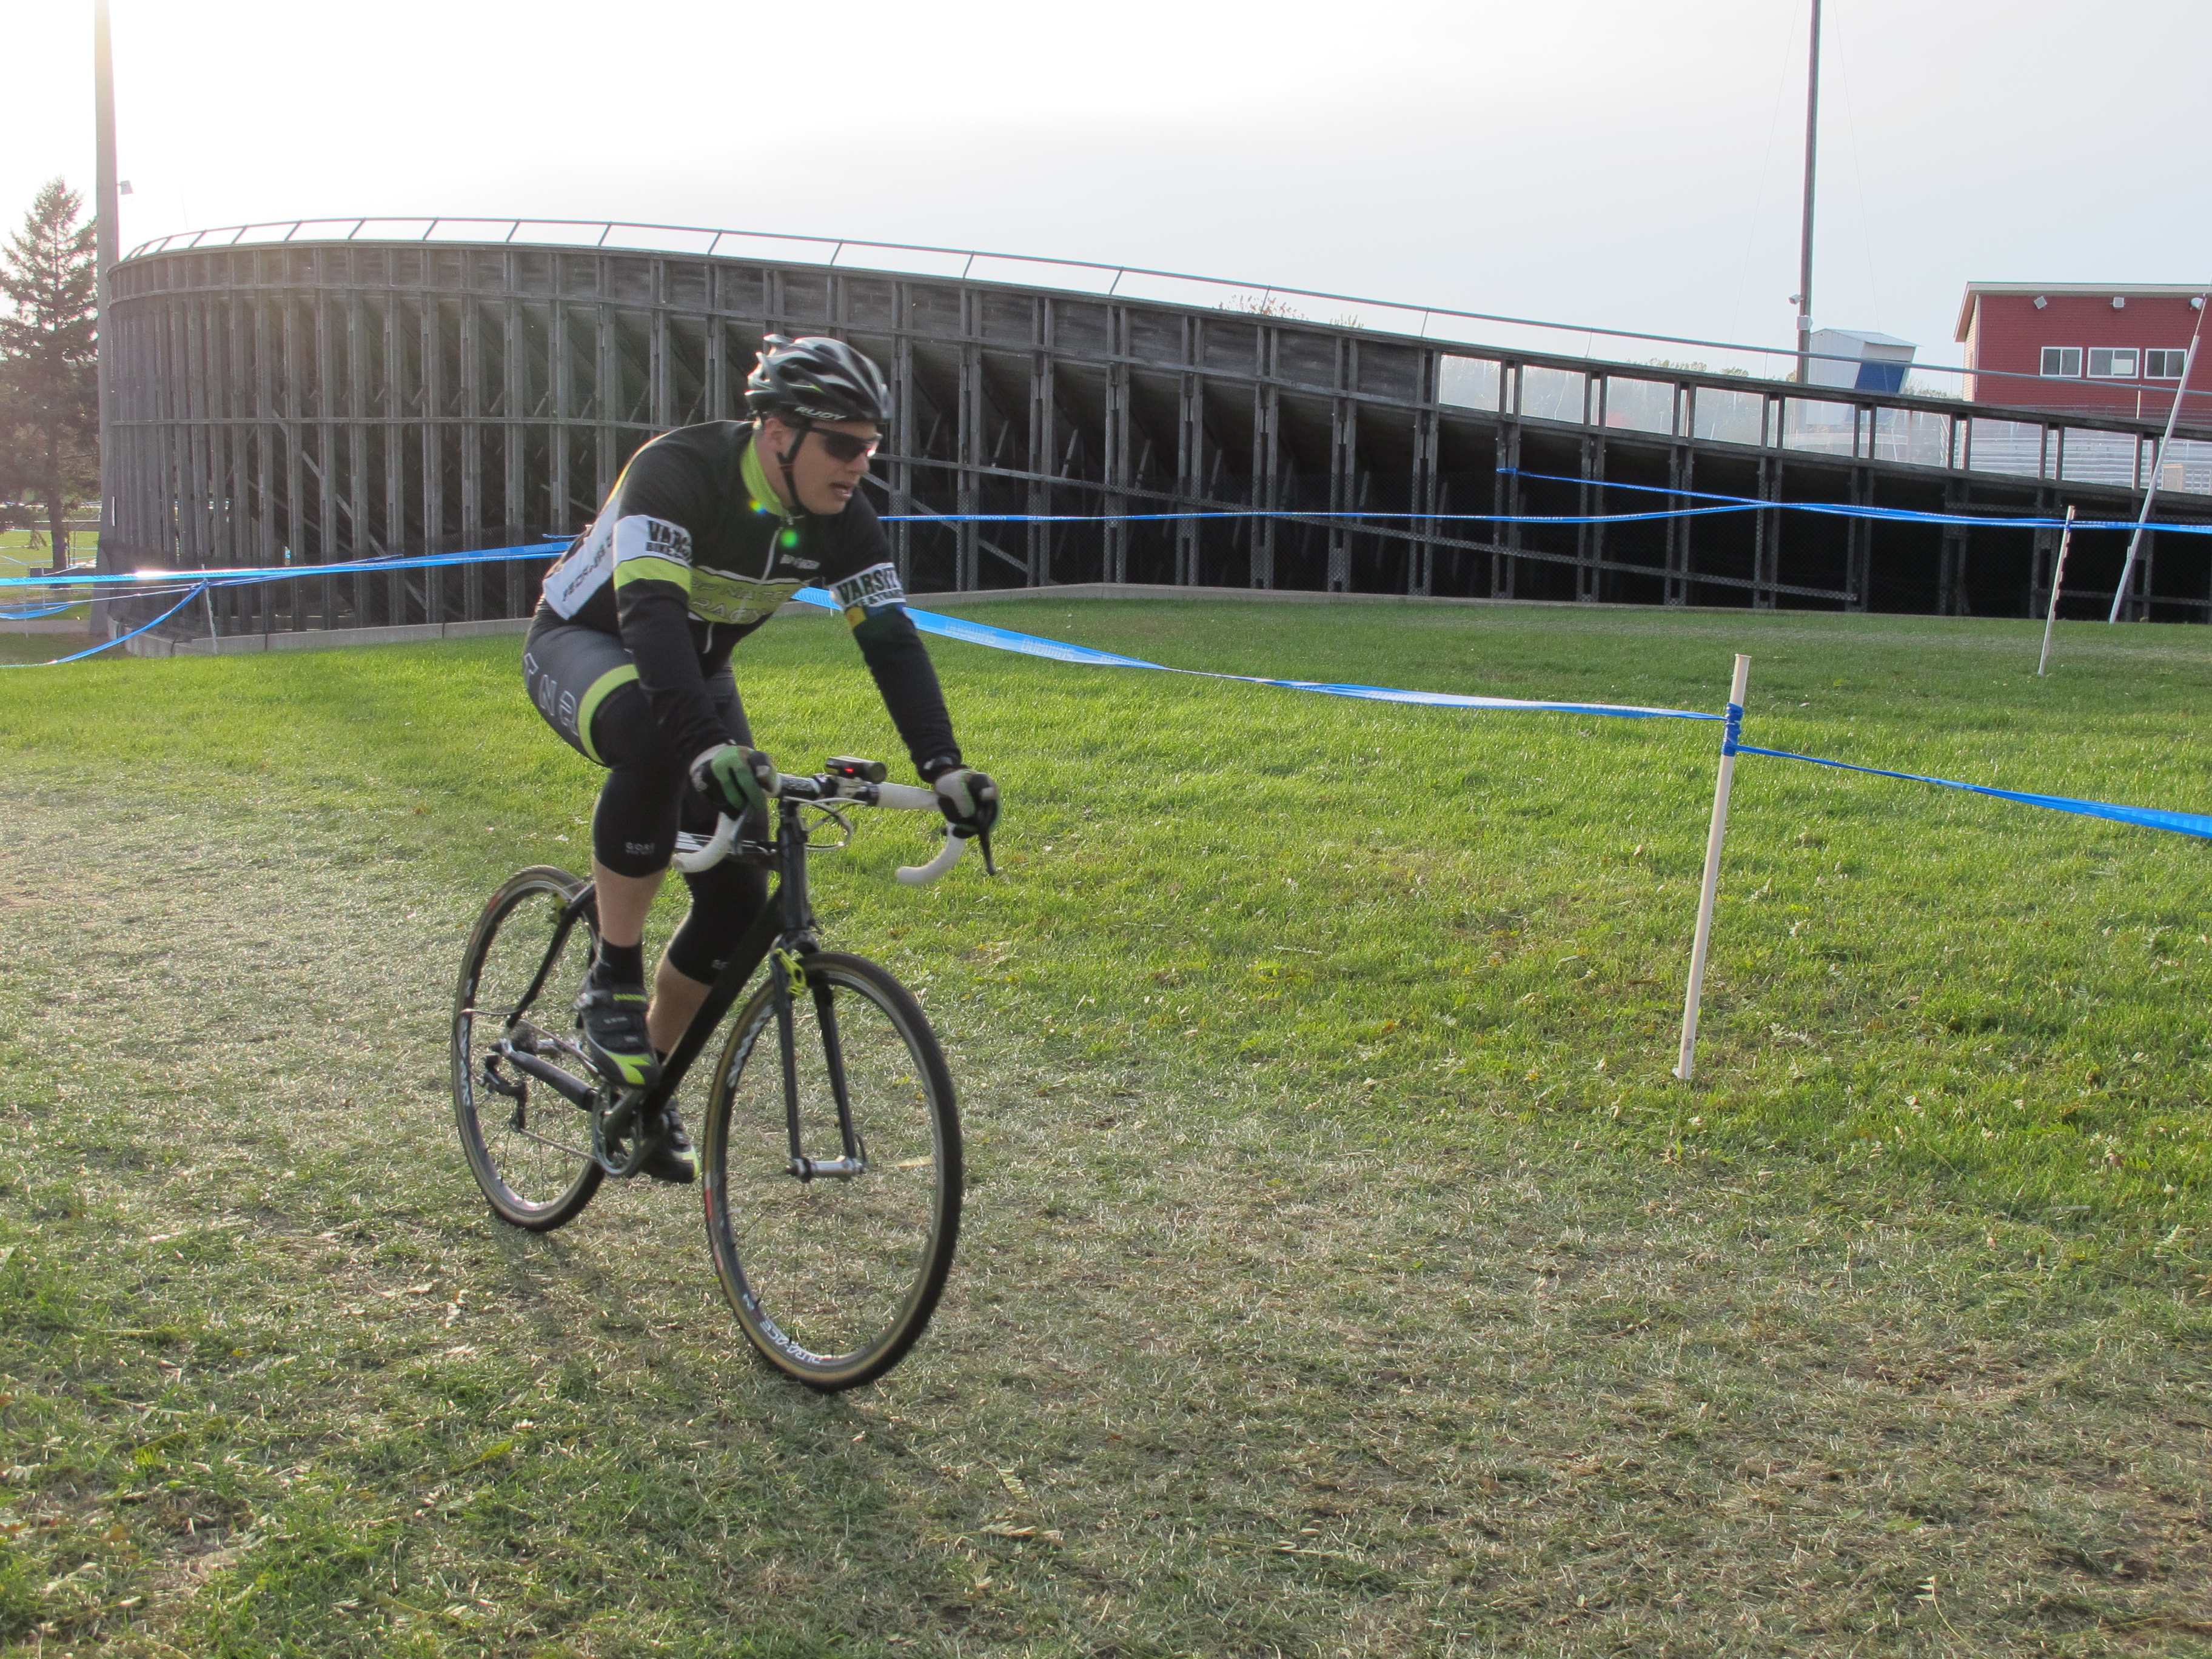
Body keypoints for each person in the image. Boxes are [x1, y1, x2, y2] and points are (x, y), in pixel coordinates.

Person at [520, 333, 999, 1181]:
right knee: (658, 741)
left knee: (738, 900)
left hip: (696, 672)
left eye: (871, 447)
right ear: (778, 432)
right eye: (842, 445)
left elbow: (890, 640)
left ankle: (640, 1085)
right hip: (587, 641)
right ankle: (612, 976)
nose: (859, 465)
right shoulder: (676, 471)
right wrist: (705, 744)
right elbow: (651, 619)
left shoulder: (843, 519)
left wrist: (942, 765)